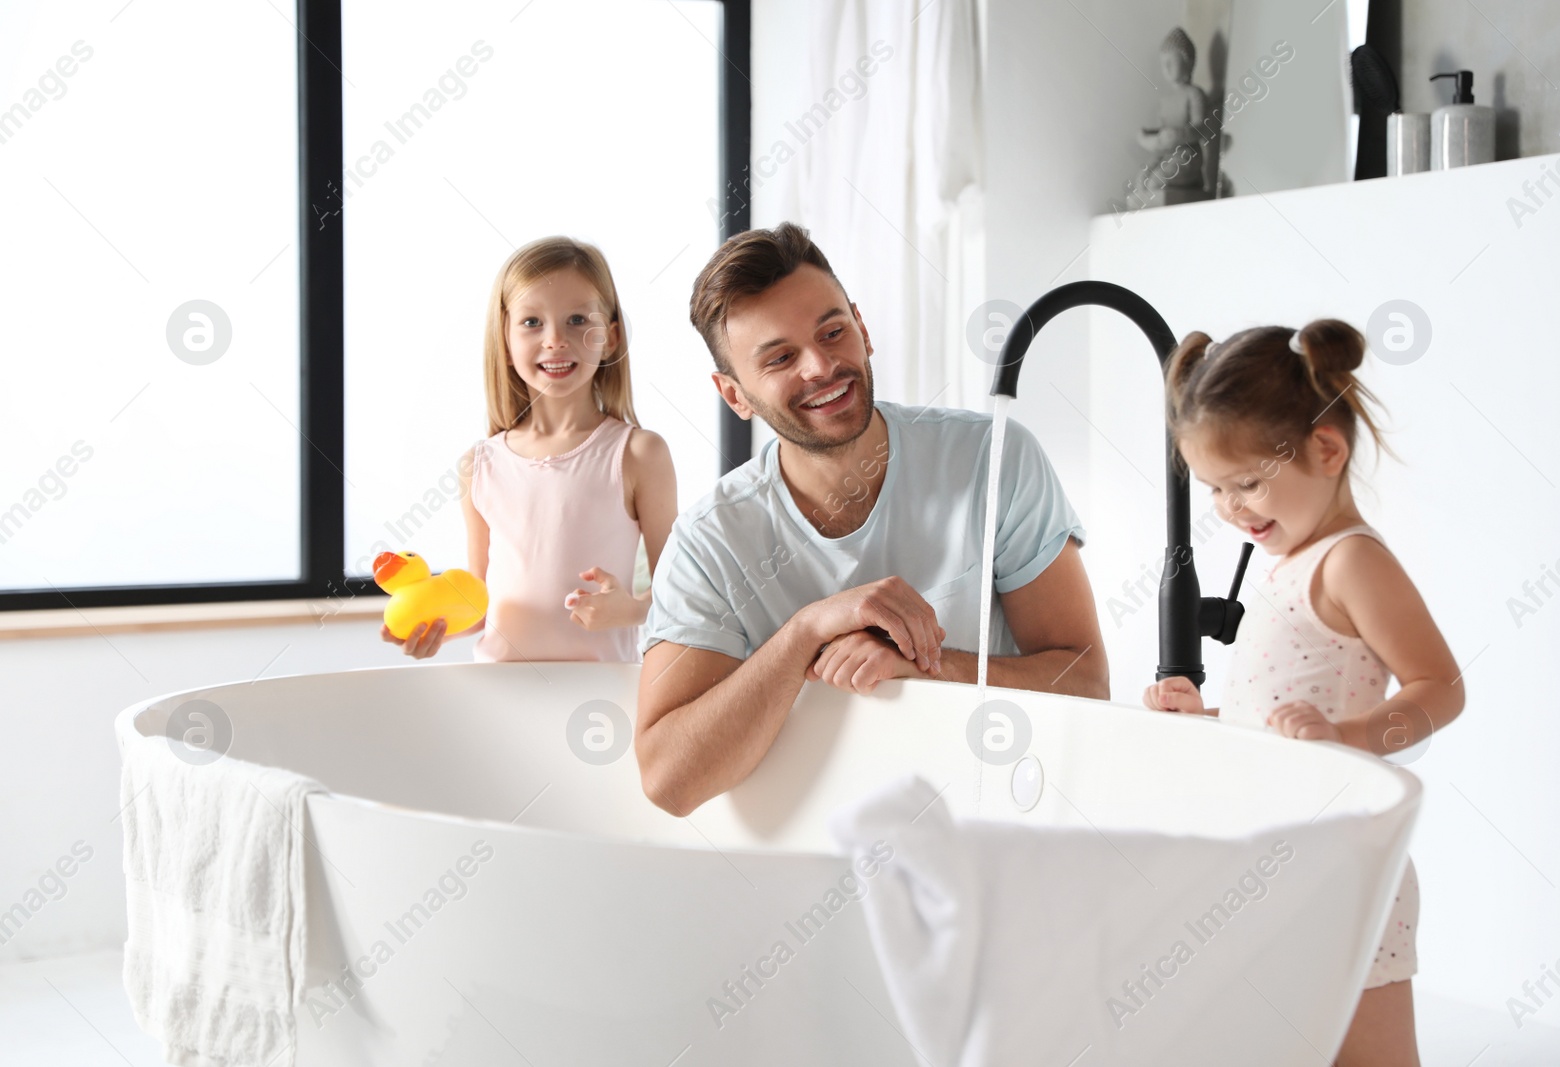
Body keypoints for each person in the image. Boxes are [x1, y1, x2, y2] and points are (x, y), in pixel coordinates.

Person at [635, 222, 1108, 816]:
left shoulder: (992, 460)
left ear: (861, 327)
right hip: (810, 852)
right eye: (781, 357)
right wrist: (806, 631)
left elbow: (1087, 682)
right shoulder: (710, 543)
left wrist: (922, 667)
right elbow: (670, 781)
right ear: (734, 395)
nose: (821, 366)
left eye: (833, 331)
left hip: (999, 820)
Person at [1145, 319, 1465, 1067]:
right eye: (1217, 490)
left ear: (1326, 449)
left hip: (1350, 866)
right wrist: (1211, 719)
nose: (1231, 508)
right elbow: (1281, 715)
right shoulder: (1286, 561)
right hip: (1277, 864)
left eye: (1248, 481)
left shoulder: (1349, 561)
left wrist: (1350, 739)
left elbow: (1441, 687)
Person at [382, 236, 676, 662]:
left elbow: (682, 592)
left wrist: (631, 609)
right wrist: (432, 629)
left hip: (601, 701)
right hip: (498, 693)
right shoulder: (478, 466)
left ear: (610, 338)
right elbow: (480, 608)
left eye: (577, 319)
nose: (555, 339)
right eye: (532, 322)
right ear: (504, 339)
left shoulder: (638, 454)